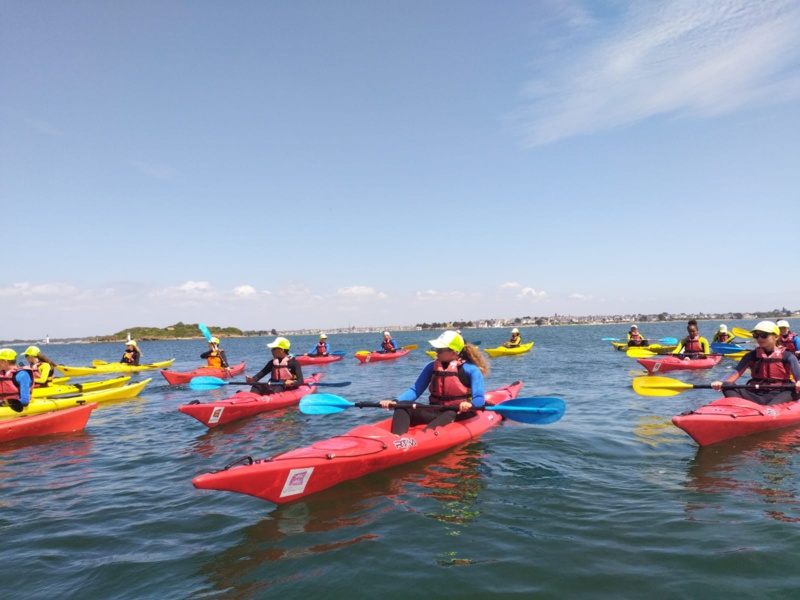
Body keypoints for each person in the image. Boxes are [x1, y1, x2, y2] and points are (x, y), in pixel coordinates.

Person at [379, 331, 489, 435]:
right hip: (435, 410)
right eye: (436, 349)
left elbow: (479, 397)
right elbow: (415, 390)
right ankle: (397, 439)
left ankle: (425, 436)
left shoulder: (471, 370)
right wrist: (395, 401)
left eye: (440, 350)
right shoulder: (431, 367)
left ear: (453, 352)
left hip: (459, 412)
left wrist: (470, 404)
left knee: (450, 412)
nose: (436, 352)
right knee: (402, 405)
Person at [711, 321, 800, 406]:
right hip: (756, 394)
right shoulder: (751, 356)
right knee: (727, 385)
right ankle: (744, 408)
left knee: (793, 389)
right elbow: (735, 372)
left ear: (776, 337)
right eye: (756, 335)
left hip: (780, 393)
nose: (759, 339)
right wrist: (721, 382)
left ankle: (769, 411)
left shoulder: (787, 356)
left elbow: (798, 375)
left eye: (764, 335)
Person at [0, 348, 33, 412]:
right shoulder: (1, 373)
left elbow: (25, 400)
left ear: (5, 362)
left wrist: (4, 403)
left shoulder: (22, 375)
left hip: (16, 408)